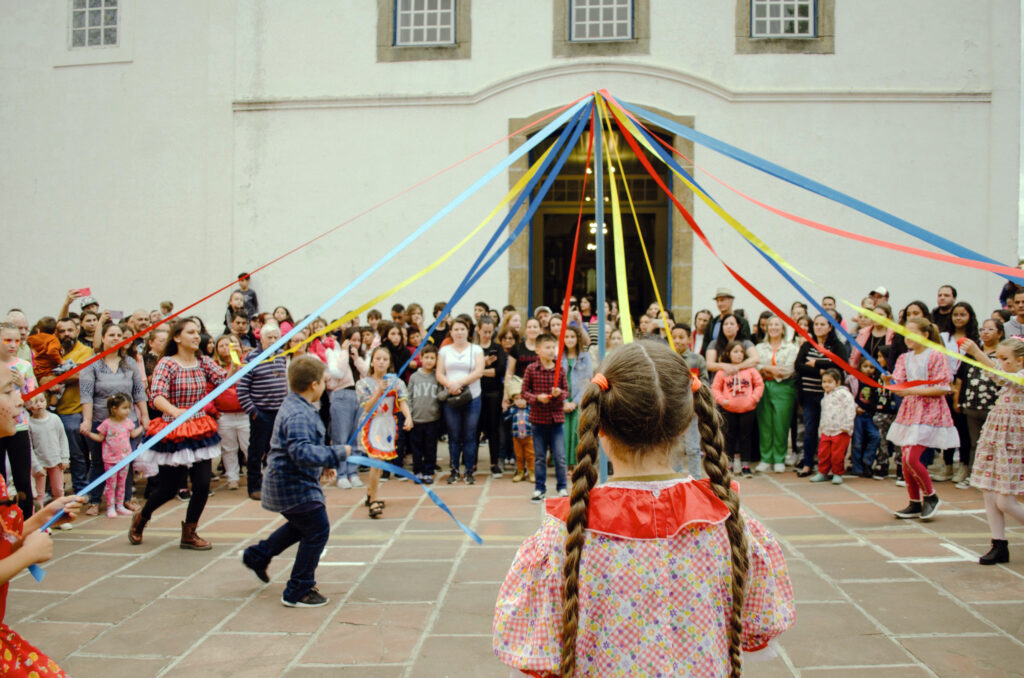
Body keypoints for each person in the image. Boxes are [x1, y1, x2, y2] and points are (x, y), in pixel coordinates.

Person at [493, 341, 794, 676]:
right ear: (686, 423)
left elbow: (537, 649)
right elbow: (757, 629)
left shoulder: (562, 535)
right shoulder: (730, 522)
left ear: (600, 424)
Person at [242, 355, 350, 607]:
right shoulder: (299, 413)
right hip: (292, 486)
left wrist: (322, 463)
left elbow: (302, 448)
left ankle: (257, 556)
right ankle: (298, 589)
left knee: (303, 525)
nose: (325, 386)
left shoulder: (297, 406)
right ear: (314, 385)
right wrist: (335, 454)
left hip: (293, 482)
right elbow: (301, 451)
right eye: (324, 381)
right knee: (317, 529)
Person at [129, 318, 231, 549]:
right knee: (169, 488)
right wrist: (176, 412)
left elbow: (224, 380)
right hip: (173, 429)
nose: (197, 336)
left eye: (198, 332)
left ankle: (190, 532)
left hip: (198, 427)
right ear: (177, 337)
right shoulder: (167, 363)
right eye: (191, 332)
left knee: (203, 483)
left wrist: (237, 365)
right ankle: (142, 518)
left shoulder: (203, 361)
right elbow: (156, 396)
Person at [960, 337, 1024, 564]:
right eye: (998, 358)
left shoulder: (1021, 376)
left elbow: (1002, 376)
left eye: (1005, 359)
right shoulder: (1009, 375)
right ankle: (998, 543)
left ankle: (1000, 544)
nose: (1000, 363)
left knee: (1005, 501)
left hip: (1014, 442)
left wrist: (977, 353)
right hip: (996, 436)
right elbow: (998, 373)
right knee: (989, 490)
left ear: (1021, 361)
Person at [887, 317, 958, 521]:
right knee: (905, 458)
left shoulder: (935, 355)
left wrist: (911, 390)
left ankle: (931, 496)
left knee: (911, 458)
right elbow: (898, 382)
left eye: (913, 332)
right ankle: (914, 502)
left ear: (925, 335)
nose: (908, 337)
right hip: (910, 412)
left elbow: (943, 387)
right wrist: (889, 381)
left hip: (930, 411)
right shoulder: (904, 358)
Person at [79, 322, 149, 514]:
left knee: (126, 460)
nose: (116, 338)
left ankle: (125, 499)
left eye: (119, 335)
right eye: (111, 335)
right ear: (103, 338)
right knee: (99, 462)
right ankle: (95, 500)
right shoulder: (91, 364)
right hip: (101, 421)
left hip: (128, 421)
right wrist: (87, 420)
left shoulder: (130, 363)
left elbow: (138, 392)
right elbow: (86, 395)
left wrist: (144, 416)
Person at [357, 346, 412, 518]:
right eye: (378, 358)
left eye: (385, 359)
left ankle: (370, 492)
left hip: (388, 425)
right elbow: (367, 407)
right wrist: (379, 391)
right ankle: (373, 500)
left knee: (381, 463)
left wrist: (408, 417)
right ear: (372, 361)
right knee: (376, 463)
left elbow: (402, 402)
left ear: (390, 363)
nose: (381, 362)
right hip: (372, 425)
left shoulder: (397, 382)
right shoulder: (363, 384)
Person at [236, 322, 288, 500]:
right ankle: (254, 486)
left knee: (277, 450)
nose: (273, 340)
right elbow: (242, 389)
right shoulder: (251, 358)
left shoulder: (281, 356)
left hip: (279, 412)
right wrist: (253, 412)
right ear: (261, 339)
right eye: (270, 337)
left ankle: (274, 484)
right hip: (261, 412)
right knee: (256, 452)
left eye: (276, 337)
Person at [794, 315, 850, 477]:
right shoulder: (807, 345)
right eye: (816, 324)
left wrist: (816, 363)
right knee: (810, 429)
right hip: (809, 394)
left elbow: (840, 365)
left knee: (830, 432)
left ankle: (830, 467)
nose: (818, 327)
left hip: (831, 399)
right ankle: (807, 464)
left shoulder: (836, 346)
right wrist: (821, 371)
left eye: (822, 324)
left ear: (830, 327)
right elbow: (798, 366)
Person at [953, 318, 1004, 489]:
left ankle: (996, 478)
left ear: (1000, 333)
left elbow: (1001, 375)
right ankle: (974, 476)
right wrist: (958, 400)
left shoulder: (1003, 354)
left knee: (995, 444)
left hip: (995, 407)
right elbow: (960, 378)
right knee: (976, 443)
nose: (986, 332)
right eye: (983, 329)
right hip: (972, 404)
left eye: (991, 329)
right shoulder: (971, 354)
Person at [437, 315, 484, 484]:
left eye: (462, 329)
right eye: (456, 329)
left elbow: (479, 371)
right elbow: (439, 373)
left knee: (470, 435)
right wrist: (451, 385)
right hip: (452, 397)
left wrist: (459, 383)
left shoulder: (477, 350)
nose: (459, 332)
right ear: (451, 332)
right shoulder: (444, 351)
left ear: (468, 331)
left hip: (472, 396)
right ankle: (454, 469)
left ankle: (469, 470)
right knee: (454, 435)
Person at [522, 333, 569, 502]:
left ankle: (562, 487)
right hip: (538, 420)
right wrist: (536, 398)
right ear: (538, 350)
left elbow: (566, 391)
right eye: (547, 348)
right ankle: (539, 489)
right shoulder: (531, 369)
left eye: (553, 348)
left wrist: (558, 394)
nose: (551, 351)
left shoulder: (560, 369)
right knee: (540, 457)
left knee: (560, 456)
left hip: (556, 419)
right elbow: (524, 392)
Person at [51, 317, 93, 498]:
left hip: (80, 410)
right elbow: (45, 377)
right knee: (69, 456)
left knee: (81, 455)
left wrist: (58, 377)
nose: (66, 334)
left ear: (77, 331)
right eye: (62, 331)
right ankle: (78, 490)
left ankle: (84, 489)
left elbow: (82, 374)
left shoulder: (85, 351)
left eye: (69, 330)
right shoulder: (53, 352)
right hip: (58, 410)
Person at [0, 321, 38, 517]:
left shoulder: (24, 366)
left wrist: (23, 384)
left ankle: (26, 518)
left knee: (22, 477)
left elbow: (33, 401)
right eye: (7, 339)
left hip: (19, 426)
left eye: (16, 340)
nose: (12, 344)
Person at [84, 393, 142, 518]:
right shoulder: (107, 424)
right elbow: (100, 437)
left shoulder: (128, 423)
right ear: (114, 409)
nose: (128, 411)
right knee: (111, 484)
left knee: (122, 483)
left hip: (125, 459)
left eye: (129, 408)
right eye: (124, 408)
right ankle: (110, 506)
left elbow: (133, 434)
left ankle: (119, 505)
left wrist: (143, 427)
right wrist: (88, 434)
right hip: (110, 460)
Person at [712, 341, 764, 478]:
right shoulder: (723, 371)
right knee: (728, 437)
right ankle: (728, 464)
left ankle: (745, 465)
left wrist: (753, 399)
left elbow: (759, 385)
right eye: (735, 351)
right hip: (729, 409)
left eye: (741, 352)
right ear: (728, 354)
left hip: (748, 409)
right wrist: (722, 401)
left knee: (746, 437)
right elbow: (715, 388)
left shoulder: (751, 370)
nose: (739, 354)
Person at [325, 330, 367, 490]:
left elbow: (366, 372)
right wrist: (344, 351)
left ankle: (353, 472)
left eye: (358, 340)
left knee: (355, 438)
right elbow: (339, 371)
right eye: (352, 340)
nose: (355, 343)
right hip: (341, 396)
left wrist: (356, 358)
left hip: (359, 397)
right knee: (340, 439)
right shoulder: (336, 354)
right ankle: (341, 474)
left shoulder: (359, 357)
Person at [755, 316, 798, 474]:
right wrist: (771, 369)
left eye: (777, 325)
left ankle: (779, 457)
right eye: (771, 325)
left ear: (783, 328)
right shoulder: (760, 347)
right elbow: (755, 364)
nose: (773, 327)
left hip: (783, 387)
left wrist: (766, 369)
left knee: (781, 422)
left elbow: (787, 369)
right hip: (763, 385)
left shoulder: (791, 348)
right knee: (765, 422)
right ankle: (766, 458)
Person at [212, 335, 248, 490]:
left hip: (244, 413)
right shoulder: (214, 367)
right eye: (222, 345)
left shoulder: (245, 364)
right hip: (224, 414)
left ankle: (257, 473)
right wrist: (214, 411)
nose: (226, 348)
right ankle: (232, 477)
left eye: (229, 345)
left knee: (249, 446)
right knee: (228, 448)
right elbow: (209, 391)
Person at [811, 369, 856, 484]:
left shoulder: (844, 394)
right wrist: (821, 428)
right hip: (827, 430)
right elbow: (824, 413)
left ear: (838, 382)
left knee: (838, 454)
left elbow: (850, 409)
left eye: (829, 382)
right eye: (824, 381)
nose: (826, 384)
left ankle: (837, 473)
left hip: (840, 430)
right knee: (823, 453)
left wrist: (847, 426)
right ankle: (823, 472)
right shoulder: (825, 396)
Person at [26, 394, 69, 516]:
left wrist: (64, 457)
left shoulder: (55, 419)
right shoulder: (29, 423)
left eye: (41, 401)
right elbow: (29, 447)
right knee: (39, 494)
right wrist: (36, 466)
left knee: (59, 491)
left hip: (56, 462)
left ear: (47, 402)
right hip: (39, 464)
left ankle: (60, 517)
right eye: (35, 402)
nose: (38, 404)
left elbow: (62, 438)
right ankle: (41, 522)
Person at [476, 316, 507, 478]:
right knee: (475, 429)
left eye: (490, 332)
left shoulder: (498, 348)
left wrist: (479, 371)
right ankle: (471, 463)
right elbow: (469, 370)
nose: (488, 335)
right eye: (485, 332)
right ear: (478, 329)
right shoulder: (473, 348)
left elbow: (500, 370)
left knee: (493, 429)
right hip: (476, 394)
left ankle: (494, 463)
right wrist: (485, 365)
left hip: (494, 394)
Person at [408, 344, 443, 484]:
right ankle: (418, 471)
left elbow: (441, 395)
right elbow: (408, 397)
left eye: (432, 358)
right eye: (426, 357)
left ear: (436, 360)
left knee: (430, 447)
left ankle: (429, 471)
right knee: (416, 448)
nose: (429, 360)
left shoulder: (437, 377)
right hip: (416, 419)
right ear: (421, 358)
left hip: (432, 419)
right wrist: (409, 415)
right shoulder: (414, 377)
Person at [561, 325, 592, 469]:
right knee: (564, 432)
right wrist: (563, 401)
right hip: (563, 400)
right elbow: (556, 380)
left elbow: (587, 380)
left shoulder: (585, 357)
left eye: (572, 336)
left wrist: (575, 402)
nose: (569, 340)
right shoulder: (559, 357)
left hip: (578, 399)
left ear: (578, 338)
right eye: (566, 337)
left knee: (576, 431)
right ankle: (564, 464)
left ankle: (575, 463)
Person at [850, 361, 882, 478]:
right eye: (865, 366)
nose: (868, 369)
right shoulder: (853, 379)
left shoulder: (875, 381)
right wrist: (855, 408)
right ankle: (856, 467)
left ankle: (867, 462)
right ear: (860, 367)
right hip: (857, 415)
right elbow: (849, 395)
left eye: (871, 367)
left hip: (869, 415)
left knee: (875, 436)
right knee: (857, 441)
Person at [701, 288, 751, 356]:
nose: (719, 304)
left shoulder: (742, 322)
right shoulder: (713, 323)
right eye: (717, 301)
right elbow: (706, 344)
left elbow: (746, 343)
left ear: (731, 301)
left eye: (722, 300)